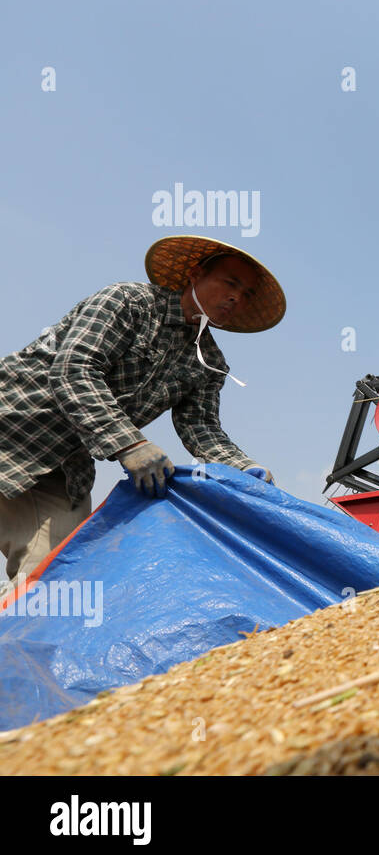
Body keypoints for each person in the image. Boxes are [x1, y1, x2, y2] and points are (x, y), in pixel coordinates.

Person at [0, 235, 286, 590]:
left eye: (245, 295)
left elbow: (202, 429)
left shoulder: (209, 362)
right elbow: (74, 369)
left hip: (60, 471)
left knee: (53, 582)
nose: (236, 298)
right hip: (10, 428)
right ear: (195, 274)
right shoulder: (127, 301)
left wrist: (243, 467)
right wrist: (131, 445)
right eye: (230, 283)